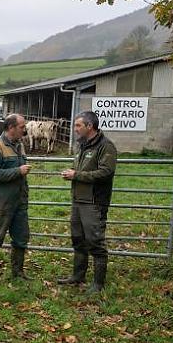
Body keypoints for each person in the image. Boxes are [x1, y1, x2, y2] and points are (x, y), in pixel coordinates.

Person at [58, 111, 117, 293]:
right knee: (78, 239)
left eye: (78, 126)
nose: (75, 129)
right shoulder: (82, 145)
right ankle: (78, 275)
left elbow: (106, 172)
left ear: (89, 126)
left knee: (95, 241)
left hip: (94, 202)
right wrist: (74, 173)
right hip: (78, 199)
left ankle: (98, 284)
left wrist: (77, 175)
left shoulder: (105, 146)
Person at [0, 113, 31, 285]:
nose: (24, 130)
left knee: (21, 237)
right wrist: (18, 171)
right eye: (21, 127)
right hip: (0, 202)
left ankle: (17, 272)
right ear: (11, 128)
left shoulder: (19, 145)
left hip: (19, 200)